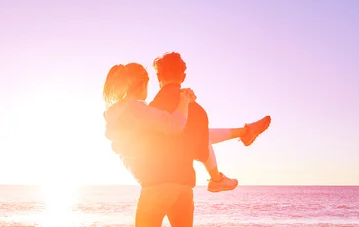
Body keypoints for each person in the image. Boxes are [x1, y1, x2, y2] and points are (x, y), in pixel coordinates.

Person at [103, 60, 271, 227]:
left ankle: (240, 138)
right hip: (180, 185)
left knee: (198, 134)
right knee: (198, 133)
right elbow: (180, 129)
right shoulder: (140, 111)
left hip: (155, 185)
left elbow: (119, 143)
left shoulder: (134, 111)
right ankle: (228, 160)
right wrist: (183, 100)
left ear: (159, 76)